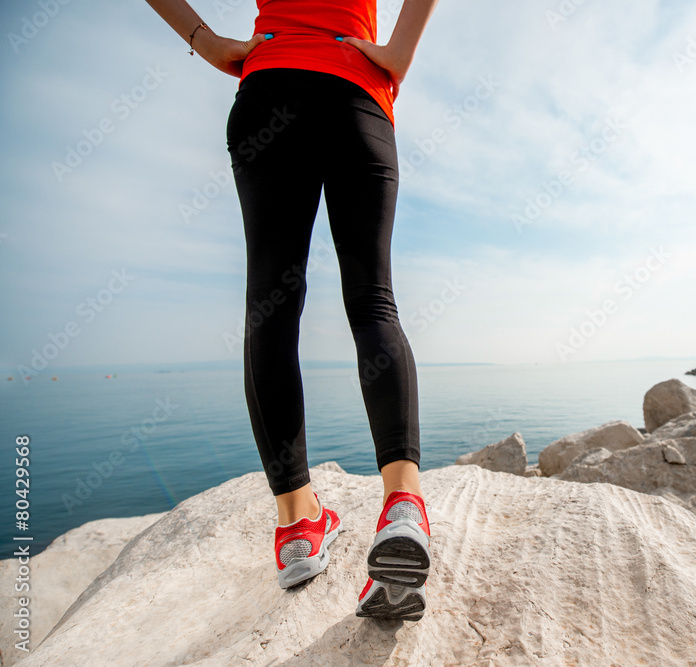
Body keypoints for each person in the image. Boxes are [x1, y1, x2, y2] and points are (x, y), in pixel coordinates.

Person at [144, 0, 439, 621]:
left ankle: (298, 525)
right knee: (372, 299)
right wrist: (397, 54)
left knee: (270, 309)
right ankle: (403, 506)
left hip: (269, 86)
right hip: (356, 89)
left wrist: (207, 40)